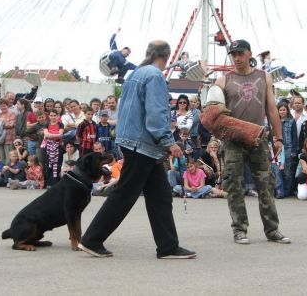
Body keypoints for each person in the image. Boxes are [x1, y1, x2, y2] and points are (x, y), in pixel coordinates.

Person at [79, 40, 196, 259]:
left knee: (160, 196)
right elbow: (156, 113)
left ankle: (168, 246)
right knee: (124, 194)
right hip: (143, 144)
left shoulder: (135, 74)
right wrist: (168, 141)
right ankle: (92, 239)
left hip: (134, 142)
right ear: (167, 57)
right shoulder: (155, 76)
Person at [213, 39, 290, 244]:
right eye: (233, 54)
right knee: (235, 185)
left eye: (240, 53)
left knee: (266, 184)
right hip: (233, 140)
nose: (236, 58)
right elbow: (213, 113)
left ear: (249, 54)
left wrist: (278, 137)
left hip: (258, 138)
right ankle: (239, 229)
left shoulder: (264, 77)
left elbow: (272, 109)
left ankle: (272, 230)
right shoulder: (222, 81)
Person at [277, 102, 298, 197]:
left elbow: (294, 137)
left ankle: (287, 190)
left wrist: (294, 151)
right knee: (277, 170)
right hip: (277, 148)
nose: (282, 112)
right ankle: (279, 190)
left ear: (287, 110)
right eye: (280, 110)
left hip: (288, 148)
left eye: (284, 109)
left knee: (287, 171)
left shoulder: (291, 121)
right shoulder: (275, 121)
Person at [42, 109, 64, 187]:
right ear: (49, 116)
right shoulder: (46, 124)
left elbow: (61, 134)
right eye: (51, 115)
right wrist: (56, 134)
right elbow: (46, 135)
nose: (53, 117)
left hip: (58, 146)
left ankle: (55, 183)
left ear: (57, 116)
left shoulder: (60, 124)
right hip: (48, 146)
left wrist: (51, 134)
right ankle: (49, 183)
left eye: (55, 115)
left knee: (56, 164)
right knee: (48, 164)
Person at [0, 99, 16, 164]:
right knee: (0, 158)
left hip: (9, 139)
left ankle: (8, 173)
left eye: (4, 105)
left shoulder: (12, 114)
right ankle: (2, 173)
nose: (3, 107)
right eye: (1, 106)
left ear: (7, 105)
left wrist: (0, 123)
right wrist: (4, 124)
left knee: (9, 158)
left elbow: (11, 125)